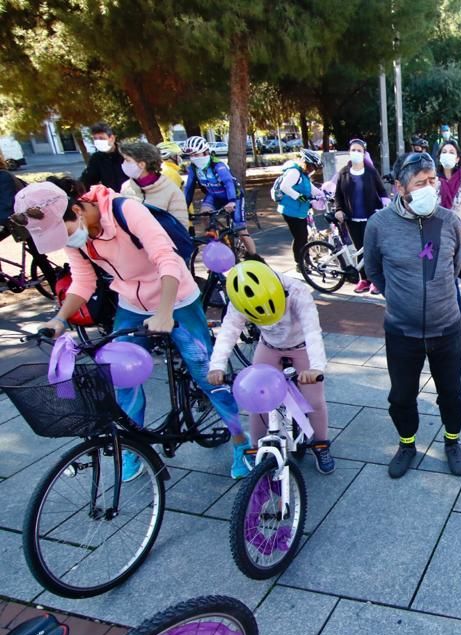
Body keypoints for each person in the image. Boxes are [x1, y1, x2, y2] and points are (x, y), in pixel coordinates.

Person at [17, 179, 249, 478]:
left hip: (175, 296)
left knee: (206, 373)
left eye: (66, 232)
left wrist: (165, 312)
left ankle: (242, 442)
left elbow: (167, 260)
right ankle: (133, 448)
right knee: (121, 376)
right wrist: (60, 319)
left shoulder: (126, 210)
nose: (66, 241)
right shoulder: (77, 236)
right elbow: (83, 280)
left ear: (77, 209)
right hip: (131, 302)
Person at [363, 152, 461, 479]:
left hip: (447, 328)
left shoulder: (448, 221)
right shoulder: (379, 224)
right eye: (420, 182)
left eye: (432, 180)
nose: (429, 187)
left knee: (452, 395)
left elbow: (455, 268)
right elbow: (373, 270)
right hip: (401, 332)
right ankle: (407, 444)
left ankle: (452, 441)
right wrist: (396, 295)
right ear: (399, 187)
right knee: (401, 396)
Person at [208, 257, 334, 475]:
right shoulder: (240, 298)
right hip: (269, 346)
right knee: (257, 400)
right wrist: (217, 366)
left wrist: (316, 368)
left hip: (301, 345)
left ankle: (321, 444)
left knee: (314, 400)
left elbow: (313, 331)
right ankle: (258, 449)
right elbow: (229, 330)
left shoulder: (296, 291)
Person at [327, 138, 388, 294]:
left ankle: (375, 280)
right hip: (352, 219)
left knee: (372, 249)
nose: (356, 153)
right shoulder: (343, 173)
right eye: (353, 150)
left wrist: (384, 207)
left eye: (359, 150)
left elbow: (382, 192)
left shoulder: (370, 172)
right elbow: (338, 195)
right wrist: (339, 209)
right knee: (359, 249)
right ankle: (364, 280)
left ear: (364, 153)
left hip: (371, 217)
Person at [181, 136, 255, 254]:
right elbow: (189, 188)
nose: (193, 158)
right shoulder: (193, 168)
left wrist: (231, 201)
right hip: (214, 196)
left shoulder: (218, 165)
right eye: (191, 156)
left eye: (196, 155)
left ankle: (255, 256)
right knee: (204, 215)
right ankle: (225, 242)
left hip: (233, 196)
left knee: (240, 229)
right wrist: (183, 207)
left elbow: (228, 183)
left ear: (205, 152)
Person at [118, 142, 189, 226]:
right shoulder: (126, 187)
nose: (123, 164)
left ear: (142, 164)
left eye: (127, 160)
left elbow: (180, 227)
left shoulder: (171, 191)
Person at [275, 149, 322, 268]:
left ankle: (305, 260)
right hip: (290, 210)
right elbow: (284, 186)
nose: (313, 170)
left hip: (299, 210)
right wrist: (299, 197)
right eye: (312, 167)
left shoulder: (303, 174)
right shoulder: (295, 172)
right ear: (307, 163)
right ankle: (299, 263)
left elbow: (311, 188)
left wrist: (324, 194)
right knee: (300, 237)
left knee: (303, 236)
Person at [80, 122, 129, 191]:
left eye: (101, 138)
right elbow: (88, 180)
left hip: (133, 197)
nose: (98, 141)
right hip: (111, 198)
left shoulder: (127, 154)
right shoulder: (96, 158)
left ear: (112, 138)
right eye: (95, 138)